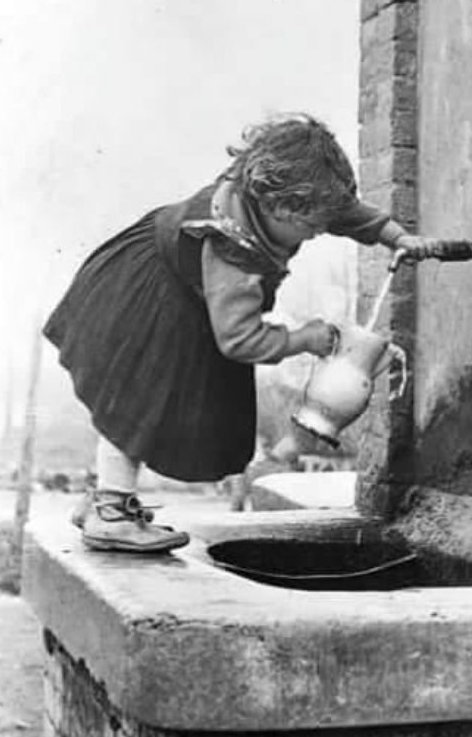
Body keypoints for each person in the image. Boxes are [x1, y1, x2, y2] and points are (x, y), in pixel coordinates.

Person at [44, 114, 431, 553]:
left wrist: (396, 236)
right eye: (310, 226)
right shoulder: (231, 250)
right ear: (276, 207)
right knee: (136, 402)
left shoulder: (275, 192)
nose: (319, 232)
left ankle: (101, 500)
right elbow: (239, 341)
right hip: (149, 302)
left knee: (136, 404)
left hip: (175, 292)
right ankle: (109, 511)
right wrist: (305, 338)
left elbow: (345, 214)